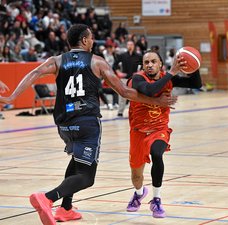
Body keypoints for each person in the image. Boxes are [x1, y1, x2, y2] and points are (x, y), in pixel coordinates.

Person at [0, 24, 178, 225]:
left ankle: (66, 209)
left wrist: (11, 97)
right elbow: (125, 92)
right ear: (84, 40)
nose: (93, 41)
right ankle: (48, 197)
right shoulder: (97, 62)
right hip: (86, 123)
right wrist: (157, 102)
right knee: (86, 177)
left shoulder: (56, 61)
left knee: (76, 161)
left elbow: (34, 73)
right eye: (91, 38)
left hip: (64, 126)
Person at [126, 50, 202, 218]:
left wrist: (193, 64)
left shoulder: (168, 78)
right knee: (136, 176)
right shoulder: (137, 79)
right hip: (138, 132)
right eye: (146, 62)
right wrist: (172, 72)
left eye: (154, 61)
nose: (150, 65)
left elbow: (196, 84)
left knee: (157, 154)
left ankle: (156, 199)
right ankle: (139, 194)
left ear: (160, 64)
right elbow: (151, 90)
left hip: (159, 129)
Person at [113, 40, 142, 117]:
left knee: (135, 95)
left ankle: (135, 111)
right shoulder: (122, 55)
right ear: (126, 46)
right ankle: (120, 111)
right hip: (124, 78)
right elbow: (114, 65)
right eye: (128, 44)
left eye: (131, 44)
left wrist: (139, 73)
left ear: (134, 46)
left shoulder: (138, 56)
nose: (130, 46)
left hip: (134, 79)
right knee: (122, 95)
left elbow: (144, 65)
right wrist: (118, 72)